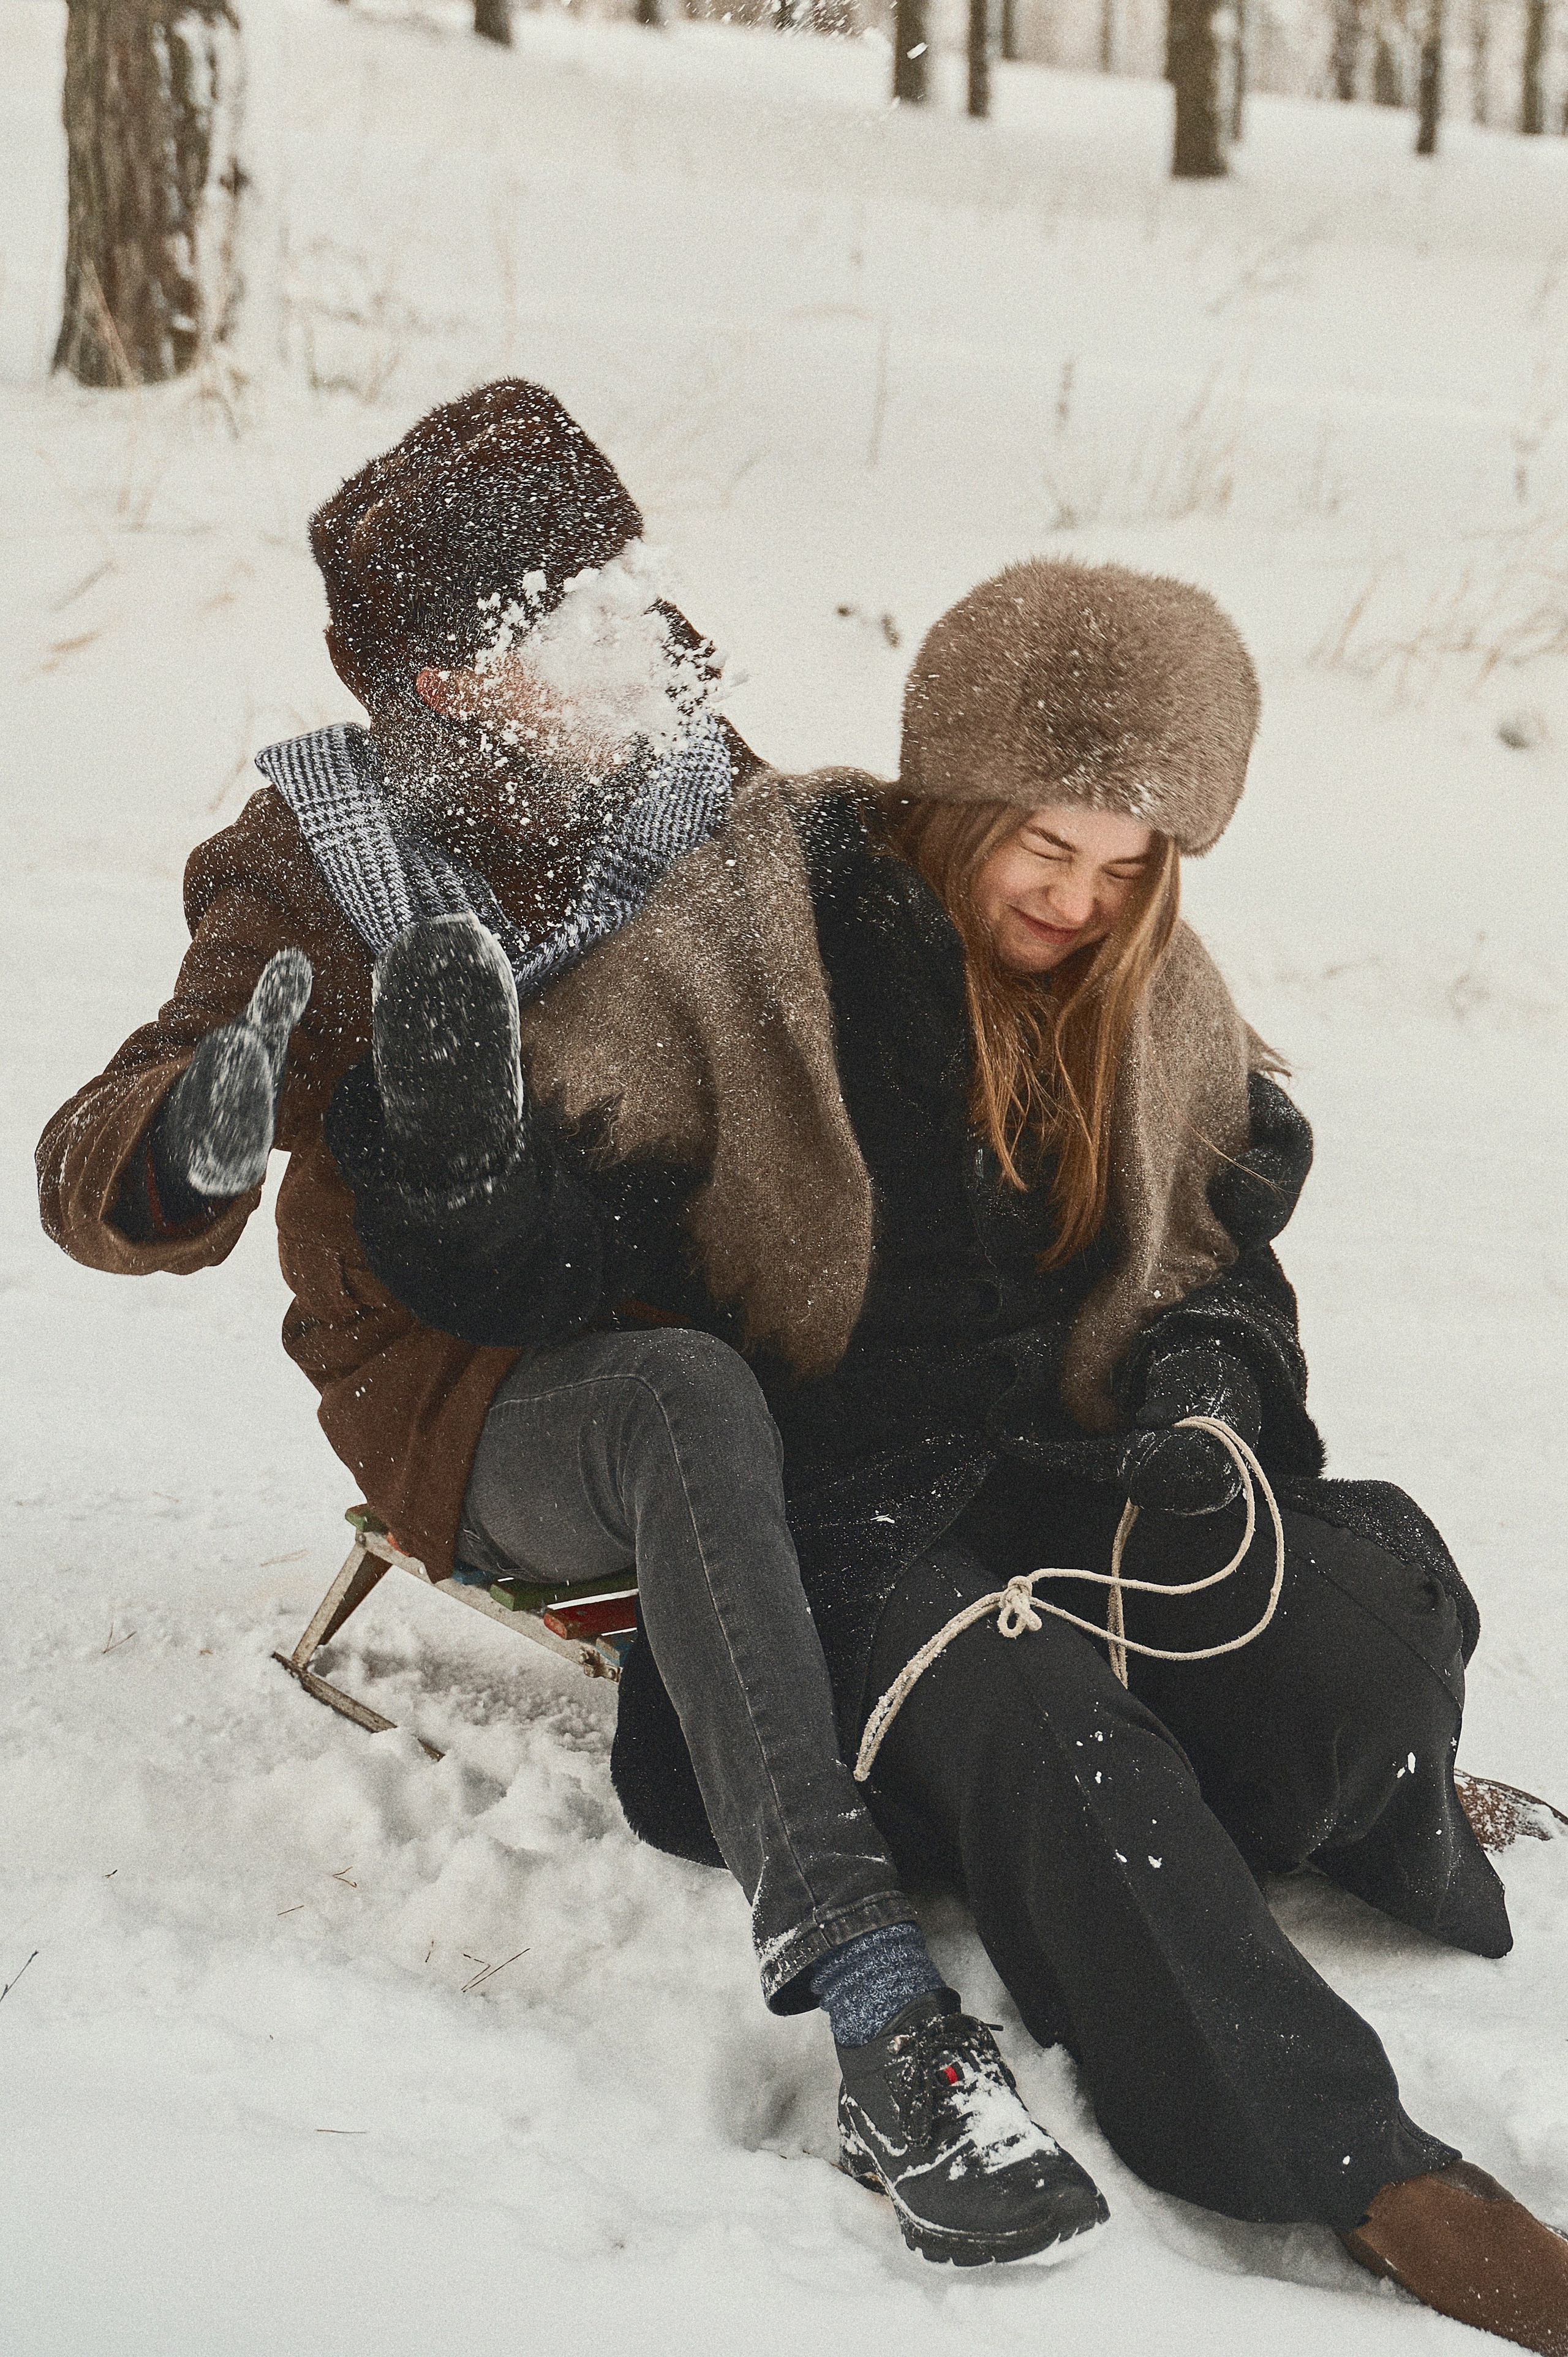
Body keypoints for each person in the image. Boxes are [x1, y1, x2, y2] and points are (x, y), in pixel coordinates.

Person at [331, 553, 1568, 2350]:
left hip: (1057, 1478)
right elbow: (557, 1255)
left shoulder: (1156, 992)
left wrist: (1208, 1410)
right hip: (827, 1518)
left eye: (1126, 867)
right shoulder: (751, 931)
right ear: (957, 794)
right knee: (1053, 1732)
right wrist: (457, 1166)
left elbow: (1225, 1271)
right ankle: (1362, 2169)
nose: (1077, 898)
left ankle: (1373, 1814)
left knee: (1354, 1631)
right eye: (1043, 845)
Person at [36, 382, 1121, 2274]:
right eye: (580, 606)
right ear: (456, 684)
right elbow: (86, 1158)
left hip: (703, 1287)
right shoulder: (320, 853)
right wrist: (191, 1132)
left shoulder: (707, 783)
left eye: (629, 576)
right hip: (470, 1387)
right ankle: (878, 2008)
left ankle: (1255, 1728)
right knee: (685, 1402)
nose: (643, 628)